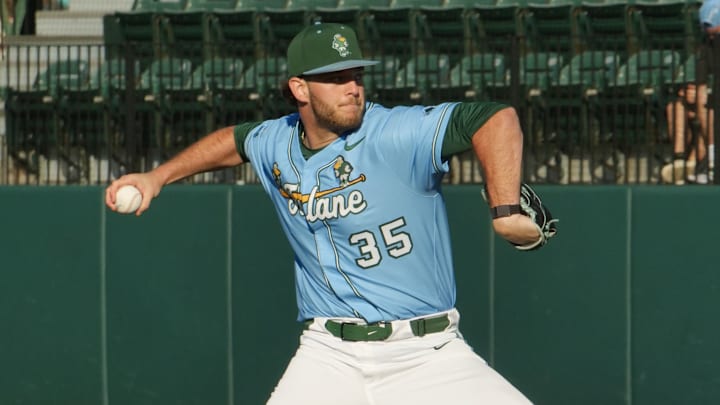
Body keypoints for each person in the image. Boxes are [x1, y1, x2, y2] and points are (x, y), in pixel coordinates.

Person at [106, 22, 555, 404]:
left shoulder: (396, 134)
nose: (352, 87)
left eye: (355, 74)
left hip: (428, 353)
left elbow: (495, 118)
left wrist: (504, 209)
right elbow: (234, 141)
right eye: (335, 77)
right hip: (329, 355)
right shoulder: (275, 141)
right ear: (299, 88)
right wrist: (157, 177)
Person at [662, 0, 718, 185]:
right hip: (714, 100)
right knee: (679, 105)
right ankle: (687, 159)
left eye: (716, 35)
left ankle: (701, 161)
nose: (712, 40)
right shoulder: (707, 45)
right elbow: (702, 82)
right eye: (709, 36)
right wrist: (691, 92)